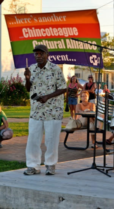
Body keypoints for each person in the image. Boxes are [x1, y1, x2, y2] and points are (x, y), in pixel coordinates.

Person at [23, 45, 67, 175]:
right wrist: (27, 79)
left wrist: (47, 96)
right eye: (36, 54)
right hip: (36, 111)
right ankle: (33, 166)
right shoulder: (31, 69)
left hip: (53, 111)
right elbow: (28, 89)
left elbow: (63, 88)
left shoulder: (55, 69)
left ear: (47, 54)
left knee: (51, 140)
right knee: (33, 139)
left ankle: (50, 165)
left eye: (41, 53)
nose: (38, 56)